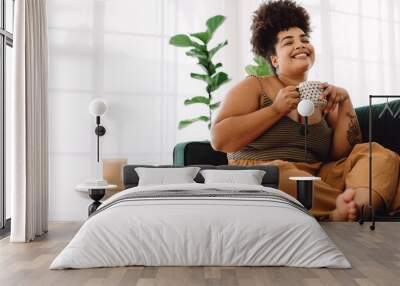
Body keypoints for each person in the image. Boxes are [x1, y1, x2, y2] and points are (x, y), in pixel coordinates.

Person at [210, 0, 400, 221]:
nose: (300, 45)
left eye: (305, 39)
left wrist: (345, 101)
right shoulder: (255, 86)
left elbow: (341, 154)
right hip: (268, 173)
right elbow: (220, 140)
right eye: (288, 42)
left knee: (375, 153)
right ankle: (355, 206)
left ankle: (353, 209)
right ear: (274, 59)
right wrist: (276, 110)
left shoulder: (321, 96)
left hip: (318, 176)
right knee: (283, 174)